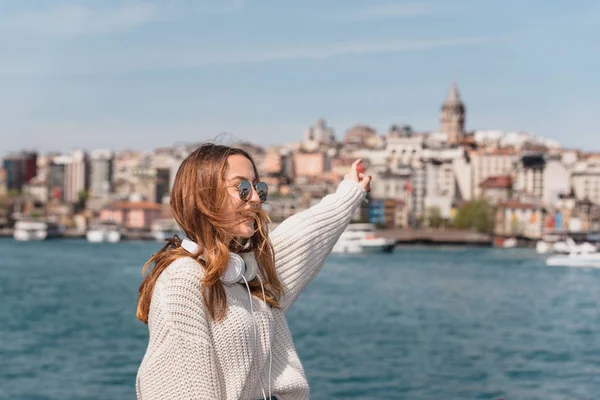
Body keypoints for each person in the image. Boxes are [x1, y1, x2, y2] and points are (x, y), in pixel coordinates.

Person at [135, 143, 372, 400]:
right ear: (205, 195)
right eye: (242, 189)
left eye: (258, 188)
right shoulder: (183, 280)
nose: (256, 199)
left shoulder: (245, 275)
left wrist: (350, 192)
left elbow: (303, 237)